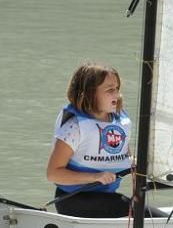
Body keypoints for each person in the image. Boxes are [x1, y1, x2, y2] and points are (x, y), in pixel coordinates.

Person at [45, 62, 164, 218]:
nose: (117, 95)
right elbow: (53, 174)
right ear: (89, 93)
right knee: (149, 217)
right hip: (74, 200)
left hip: (107, 197)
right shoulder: (75, 127)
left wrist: (137, 189)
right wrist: (95, 177)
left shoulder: (119, 121)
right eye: (110, 90)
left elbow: (125, 156)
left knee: (148, 214)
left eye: (117, 89)